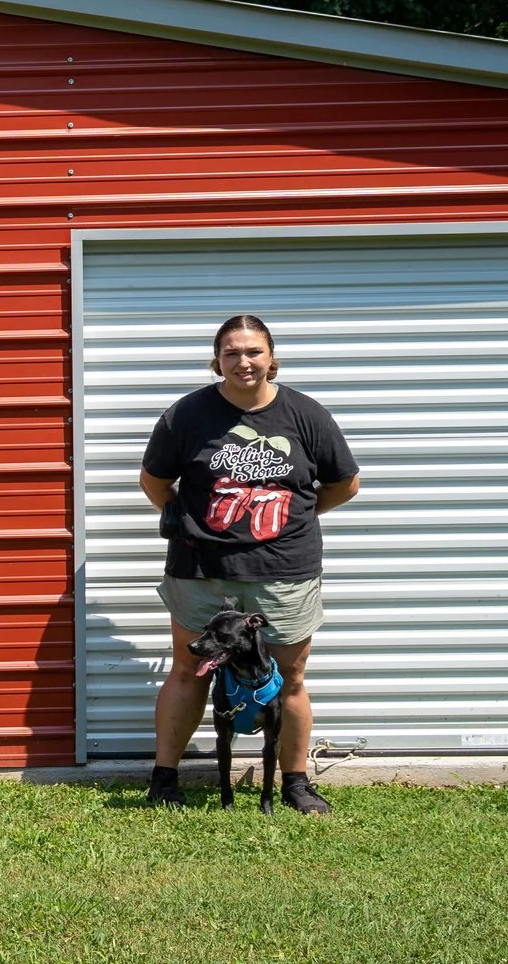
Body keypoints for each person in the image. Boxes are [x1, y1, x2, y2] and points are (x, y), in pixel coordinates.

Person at [141, 314, 361, 815]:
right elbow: (155, 481)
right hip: (200, 569)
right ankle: (164, 778)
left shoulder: (306, 415)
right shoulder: (187, 415)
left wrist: (296, 517)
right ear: (216, 359)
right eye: (232, 352)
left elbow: (345, 483)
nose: (243, 361)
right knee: (188, 670)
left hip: (285, 569)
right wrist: (191, 522)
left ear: (271, 357)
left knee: (290, 675)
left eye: (253, 351)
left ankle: (295, 782)